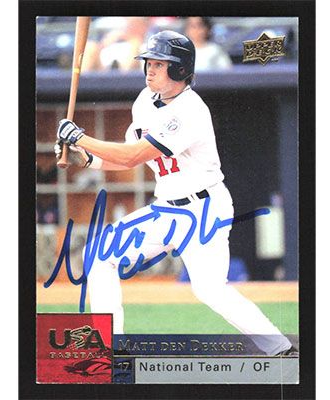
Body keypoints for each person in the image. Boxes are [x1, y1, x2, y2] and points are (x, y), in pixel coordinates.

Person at [55, 30, 297, 356]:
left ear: (180, 69)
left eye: (160, 64)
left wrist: (81, 138)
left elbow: (132, 156)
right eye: (149, 63)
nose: (150, 70)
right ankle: (110, 349)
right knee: (98, 255)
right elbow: (125, 154)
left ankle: (280, 349)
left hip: (204, 209)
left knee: (210, 290)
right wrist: (85, 158)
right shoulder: (145, 100)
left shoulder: (190, 110)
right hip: (166, 209)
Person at [81, 17, 150, 72]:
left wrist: (134, 40)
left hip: (128, 74)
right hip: (104, 70)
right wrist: (106, 42)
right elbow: (97, 53)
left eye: (135, 24)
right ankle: (80, 82)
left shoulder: (147, 43)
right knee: (91, 47)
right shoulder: (116, 40)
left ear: (144, 26)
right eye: (130, 25)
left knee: (135, 44)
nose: (132, 28)